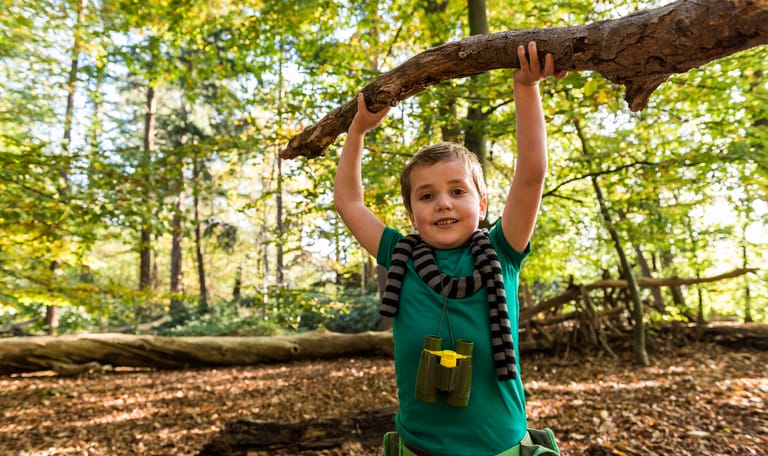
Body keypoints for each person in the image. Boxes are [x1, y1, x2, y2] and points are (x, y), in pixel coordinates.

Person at [334, 41, 566, 456]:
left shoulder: (502, 252)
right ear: (411, 213)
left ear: (481, 205)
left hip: (500, 449)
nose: (442, 202)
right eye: (426, 196)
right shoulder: (398, 256)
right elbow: (349, 203)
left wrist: (526, 86)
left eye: (457, 191)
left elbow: (531, 174)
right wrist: (357, 131)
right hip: (419, 449)